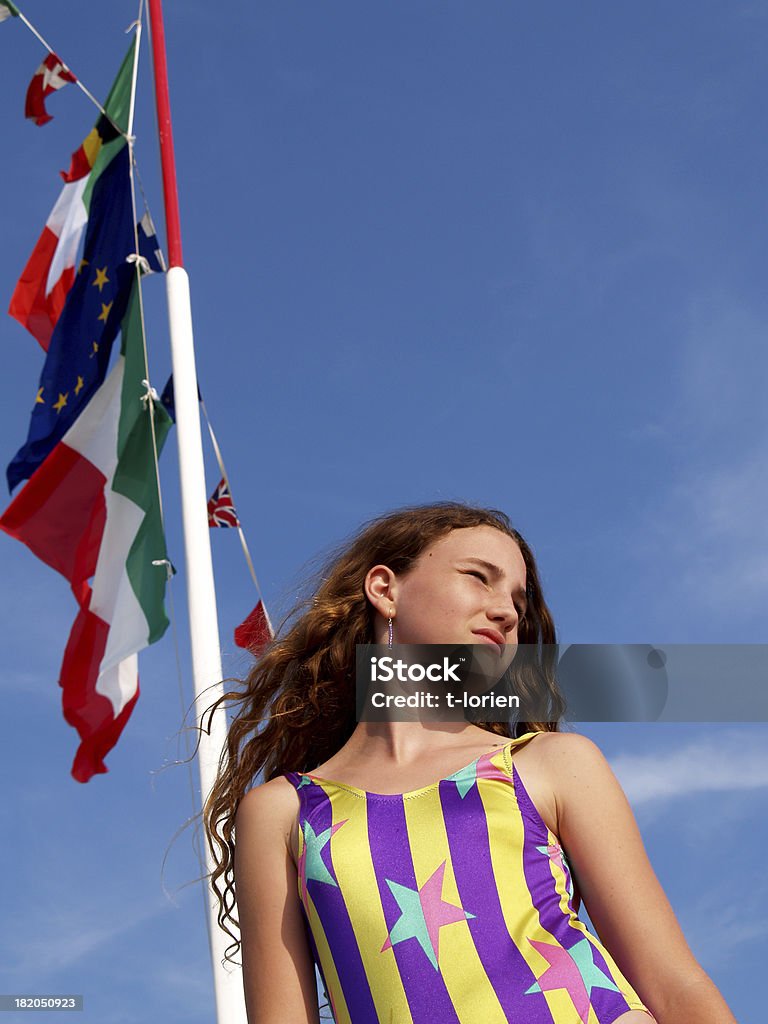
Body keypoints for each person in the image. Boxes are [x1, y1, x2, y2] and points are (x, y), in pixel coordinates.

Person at [203, 502, 737, 1024]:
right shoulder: (282, 812)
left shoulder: (549, 764)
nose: (506, 611)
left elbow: (674, 983)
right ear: (385, 589)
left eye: (518, 602)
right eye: (479, 577)